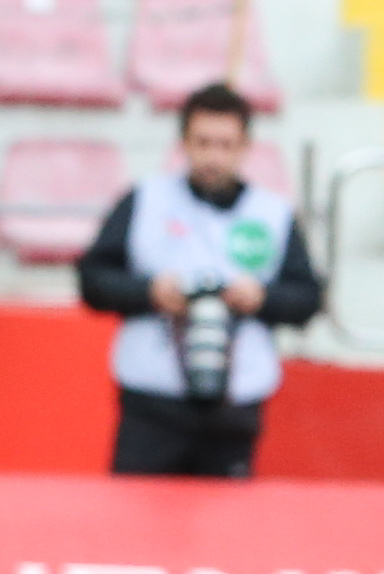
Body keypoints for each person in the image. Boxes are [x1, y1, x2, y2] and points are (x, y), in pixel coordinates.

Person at [78, 81, 323, 478]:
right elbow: (92, 281)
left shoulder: (273, 214)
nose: (214, 156)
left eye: (226, 145)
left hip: (235, 403)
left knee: (226, 517)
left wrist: (261, 298)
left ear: (245, 147)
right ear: (184, 143)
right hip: (151, 400)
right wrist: (150, 292)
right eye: (203, 143)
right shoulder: (145, 201)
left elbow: (307, 298)